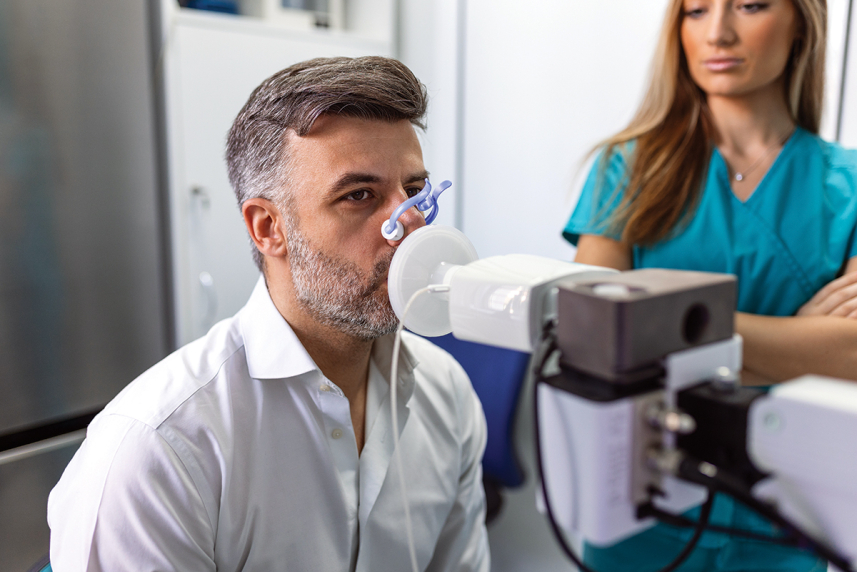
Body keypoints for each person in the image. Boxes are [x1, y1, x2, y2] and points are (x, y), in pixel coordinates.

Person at [47, 56, 490, 572]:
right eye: (359, 195)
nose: (408, 225)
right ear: (266, 228)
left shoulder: (447, 392)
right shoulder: (160, 449)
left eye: (413, 192)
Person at [563, 0, 857, 570]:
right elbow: (595, 339)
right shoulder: (627, 168)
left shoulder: (848, 185)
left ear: (803, 22)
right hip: (641, 500)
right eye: (696, 10)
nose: (718, 32)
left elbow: (852, 354)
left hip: (789, 507)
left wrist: (667, 331)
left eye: (750, 6)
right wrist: (798, 343)